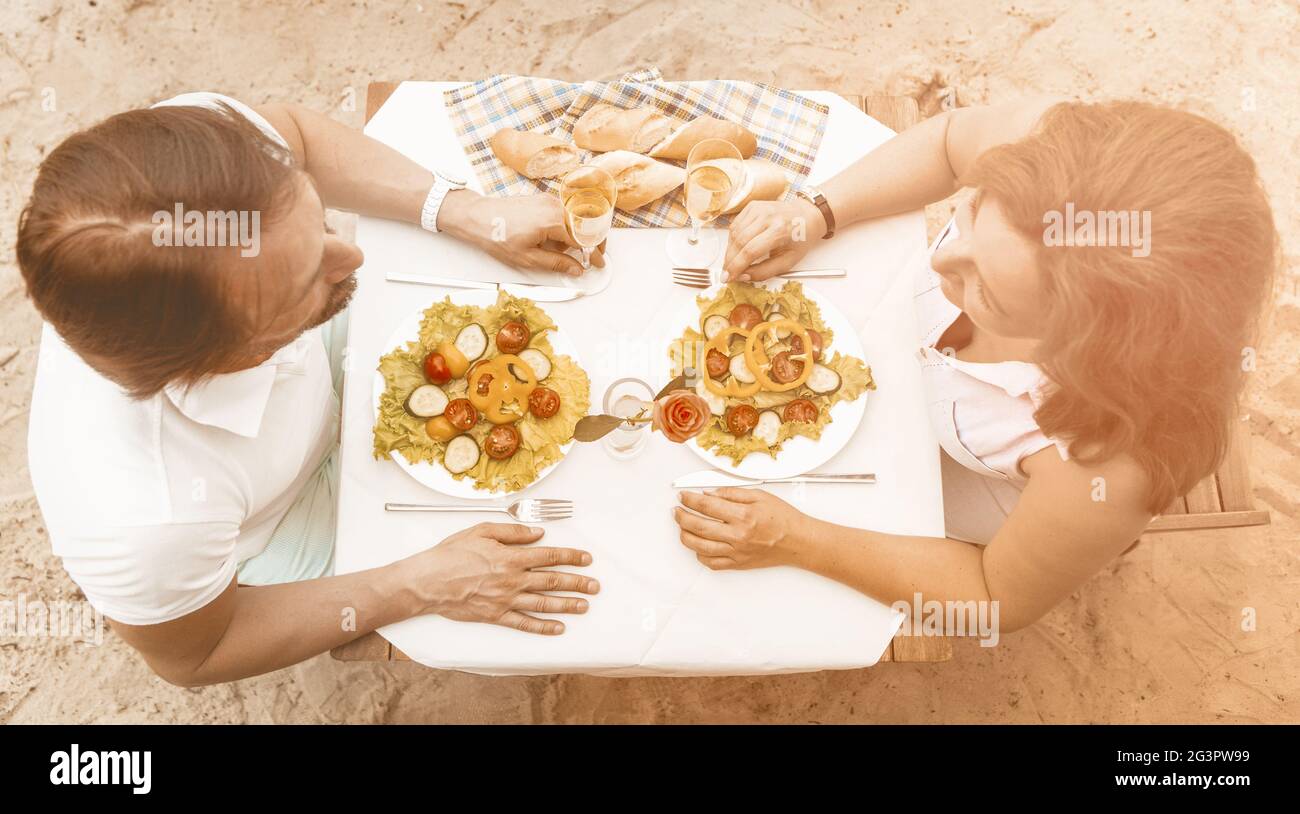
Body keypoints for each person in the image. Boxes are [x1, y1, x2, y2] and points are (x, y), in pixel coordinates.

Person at [18, 92, 600, 686]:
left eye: (317, 221)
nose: (353, 255)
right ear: (232, 355)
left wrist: (459, 208)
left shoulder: (196, 167)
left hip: (295, 379)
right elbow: (196, 654)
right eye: (305, 280)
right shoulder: (150, 523)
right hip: (276, 519)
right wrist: (418, 583)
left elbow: (296, 134)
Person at [674, 98, 1278, 634]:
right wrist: (816, 212)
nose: (943, 263)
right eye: (970, 218)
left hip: (990, 494)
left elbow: (994, 599)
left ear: (1080, 350)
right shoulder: (1065, 168)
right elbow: (947, 141)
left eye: (986, 292)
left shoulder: (1111, 466)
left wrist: (800, 540)